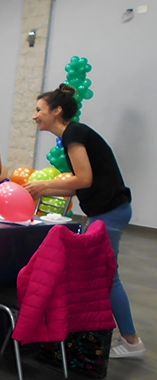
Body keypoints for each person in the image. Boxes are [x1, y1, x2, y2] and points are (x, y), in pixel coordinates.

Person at [25, 83, 144, 359]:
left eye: (39, 110)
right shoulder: (73, 135)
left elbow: (84, 179)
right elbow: (77, 185)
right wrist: (40, 189)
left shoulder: (74, 133)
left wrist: (43, 187)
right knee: (101, 275)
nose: (35, 116)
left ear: (56, 111)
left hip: (110, 212)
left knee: (107, 276)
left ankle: (132, 340)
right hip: (108, 211)